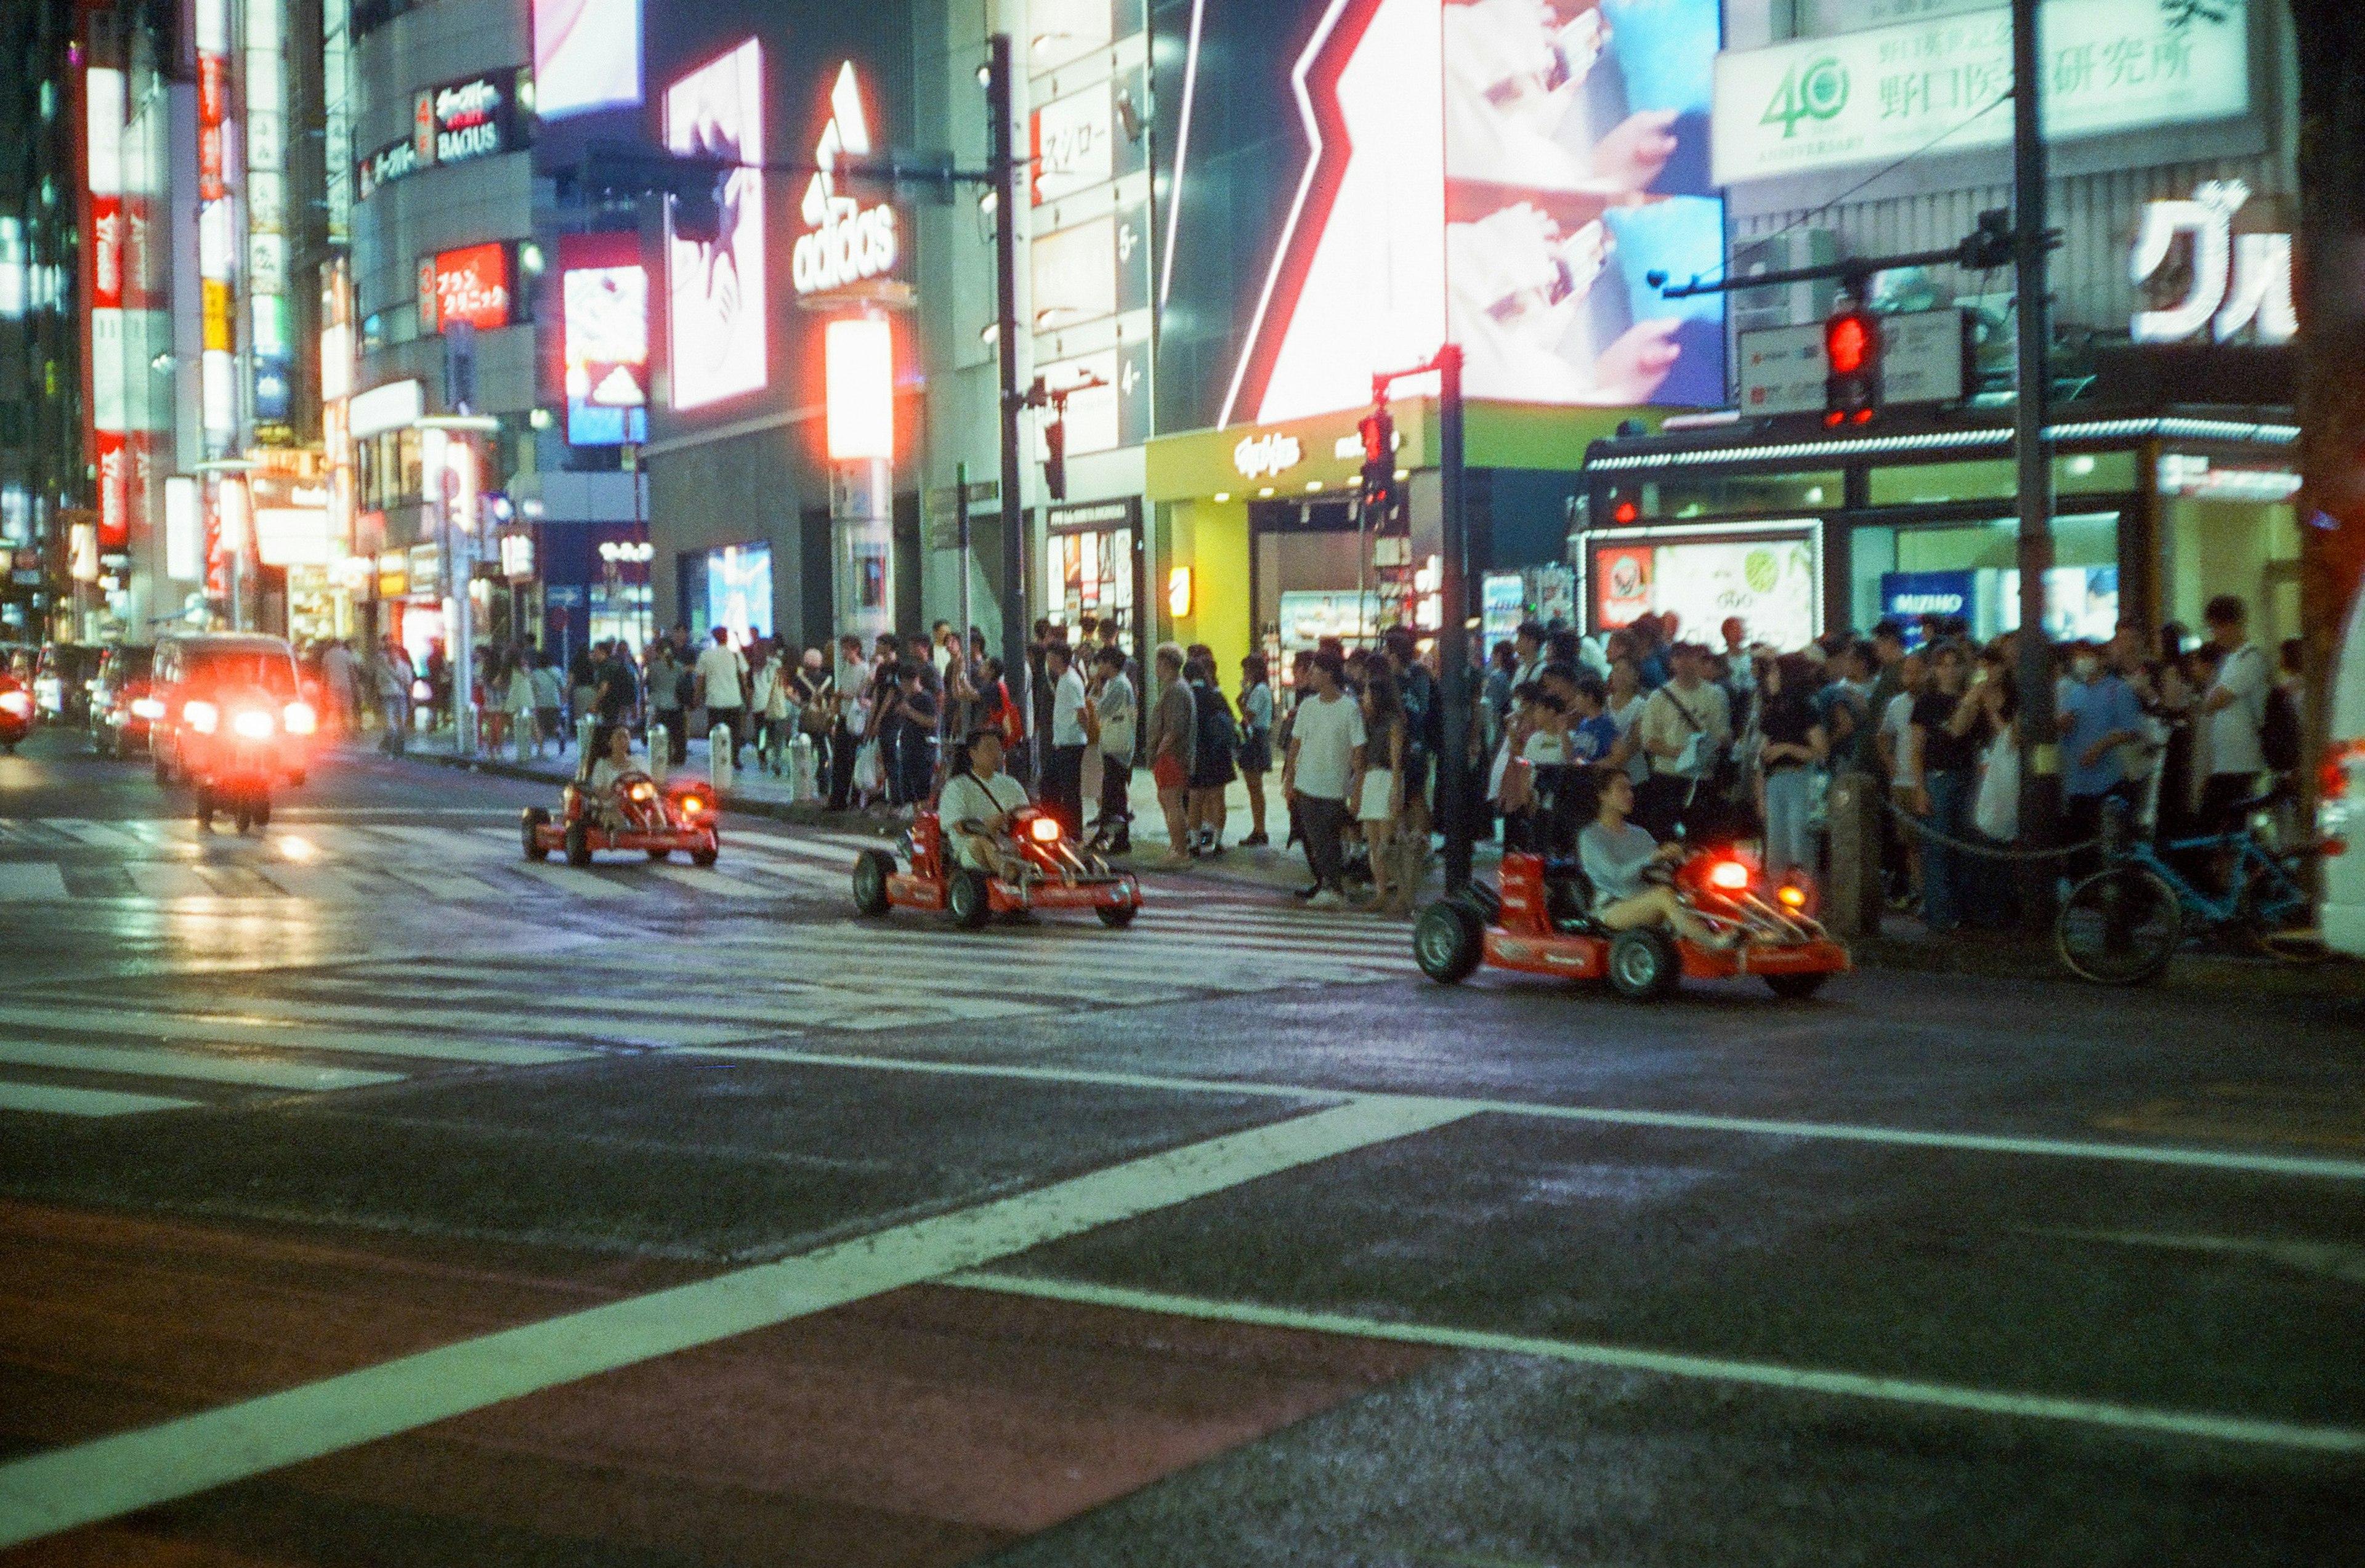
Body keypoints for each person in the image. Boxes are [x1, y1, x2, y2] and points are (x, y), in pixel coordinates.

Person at [1580, 770, 1732, 948]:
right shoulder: (1591, 837)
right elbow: (1616, 875)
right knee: (1664, 895)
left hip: (1647, 898)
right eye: (1622, 790)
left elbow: (1659, 866)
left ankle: (1742, 931)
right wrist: (1654, 857)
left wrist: (1682, 856)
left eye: (1630, 789)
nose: (1630, 795)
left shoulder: (1640, 834)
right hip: (1612, 907)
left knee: (1701, 892)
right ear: (1603, 796)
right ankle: (1713, 942)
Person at [1909, 641, 1983, 932]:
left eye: (1955, 664)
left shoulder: (1970, 698)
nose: (1949, 671)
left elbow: (1967, 733)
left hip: (1967, 775)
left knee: (1964, 846)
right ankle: (1940, 914)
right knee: (1937, 847)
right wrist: (1919, 787)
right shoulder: (1926, 702)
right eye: (1943, 665)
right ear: (1934, 670)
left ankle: (1963, 910)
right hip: (1937, 777)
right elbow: (1917, 748)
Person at [1282, 649, 1365, 909]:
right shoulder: (1308, 706)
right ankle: (1329, 885)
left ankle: (1334, 887)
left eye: (1315, 671)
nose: (1310, 675)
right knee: (1316, 838)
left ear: (1329, 675)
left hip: (1334, 784)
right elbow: (1296, 744)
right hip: (1307, 783)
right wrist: (1289, 778)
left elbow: (1358, 751)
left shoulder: (1349, 708)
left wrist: (1358, 788)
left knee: (1329, 839)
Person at [2057, 639, 2145, 873]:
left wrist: (2101, 746)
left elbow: (2131, 730)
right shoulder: (2075, 692)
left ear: (2100, 659)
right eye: (2077, 657)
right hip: (2077, 783)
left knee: (2108, 845)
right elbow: (2067, 726)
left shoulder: (2118, 690)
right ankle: (2083, 897)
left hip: (2109, 781)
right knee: (2079, 847)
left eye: (2086, 655)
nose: (2081, 662)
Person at [1632, 642, 1732, 839]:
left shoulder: (1715, 695)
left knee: (1702, 838)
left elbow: (1722, 734)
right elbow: (1649, 740)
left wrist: (1701, 750)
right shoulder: (1658, 697)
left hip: (1702, 778)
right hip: (1667, 776)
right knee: (1665, 837)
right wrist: (1681, 753)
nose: (1685, 662)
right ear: (1671, 663)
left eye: (1690, 657)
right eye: (1679, 657)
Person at [2198, 594, 2270, 832]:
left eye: (2215, 628)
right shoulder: (2230, 660)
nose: (2214, 635)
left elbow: (2215, 700)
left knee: (2222, 827)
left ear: (2230, 626)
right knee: (2225, 831)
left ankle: (2255, 868)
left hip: (2242, 763)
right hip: (2225, 763)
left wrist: (2210, 699)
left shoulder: (2250, 658)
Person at [1756, 653, 1829, 884]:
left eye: (1775, 672)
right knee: (1776, 852)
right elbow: (1761, 757)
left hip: (1800, 780)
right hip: (1774, 782)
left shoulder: (1805, 707)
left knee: (1801, 849)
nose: (1770, 678)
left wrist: (1787, 749)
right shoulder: (1771, 709)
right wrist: (1760, 795)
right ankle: (1778, 909)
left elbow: (1821, 750)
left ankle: (1805, 907)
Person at [939, 725, 1033, 877]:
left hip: (1010, 842)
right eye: (989, 748)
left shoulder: (1011, 784)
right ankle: (1014, 879)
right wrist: (988, 825)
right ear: (973, 754)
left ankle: (1071, 879)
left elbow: (1027, 814)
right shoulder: (956, 787)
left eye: (998, 748)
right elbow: (959, 827)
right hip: (970, 847)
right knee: (982, 842)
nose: (996, 753)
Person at [1358, 668, 1410, 913]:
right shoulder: (1368, 722)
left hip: (1385, 778)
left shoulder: (1393, 723)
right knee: (1374, 841)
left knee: (1386, 843)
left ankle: (1399, 891)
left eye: (1368, 693)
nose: (1364, 698)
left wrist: (1396, 791)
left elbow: (1397, 761)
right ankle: (1381, 891)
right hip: (1371, 778)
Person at [1146, 642, 1195, 867]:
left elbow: (1174, 729)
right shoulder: (1176, 687)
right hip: (1173, 755)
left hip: (1172, 756)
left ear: (1165, 663)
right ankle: (1177, 846)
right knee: (1168, 800)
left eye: (1157, 661)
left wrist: (1159, 751)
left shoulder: (1175, 690)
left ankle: (1180, 851)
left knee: (1171, 800)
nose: (1155, 666)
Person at [1186, 654, 1237, 855]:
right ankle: (1218, 842)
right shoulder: (1215, 694)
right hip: (1219, 753)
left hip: (1197, 753)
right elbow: (1230, 720)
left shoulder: (1188, 695)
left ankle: (1195, 844)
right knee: (1218, 799)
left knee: (1195, 799)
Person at [1089, 644, 1137, 852]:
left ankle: (1118, 838)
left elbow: (1101, 709)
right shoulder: (1117, 683)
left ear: (1109, 664)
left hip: (1117, 747)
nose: (1099, 667)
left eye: (1101, 663)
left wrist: (1094, 692)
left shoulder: (1118, 684)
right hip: (1114, 745)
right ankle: (1110, 835)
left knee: (1114, 795)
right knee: (1113, 795)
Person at [1040, 641, 1088, 840]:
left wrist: (1088, 735)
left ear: (1060, 658)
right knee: (1054, 785)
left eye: (1050, 657)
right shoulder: (1064, 678)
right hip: (1063, 741)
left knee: (1069, 790)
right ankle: (1061, 827)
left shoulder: (1071, 680)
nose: (1048, 661)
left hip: (1072, 742)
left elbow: (1081, 712)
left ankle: (1073, 832)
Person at [695, 627, 748, 769]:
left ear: (714, 638)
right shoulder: (736, 655)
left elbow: (700, 679)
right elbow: (744, 678)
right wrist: (747, 698)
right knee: (734, 733)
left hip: (714, 701)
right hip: (733, 700)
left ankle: (718, 758)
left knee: (716, 733)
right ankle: (735, 758)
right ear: (727, 637)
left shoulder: (706, 655)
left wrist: (696, 698)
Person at [1237, 654, 1275, 847]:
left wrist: (1243, 697)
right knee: (1254, 788)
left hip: (1256, 740)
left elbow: (1248, 716)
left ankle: (1260, 830)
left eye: (1247, 670)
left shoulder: (1259, 690)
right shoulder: (1259, 689)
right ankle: (1258, 828)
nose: (1245, 674)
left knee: (1255, 788)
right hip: (1258, 738)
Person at [645, 639, 685, 764]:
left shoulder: (654, 667)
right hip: (676, 703)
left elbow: (651, 684)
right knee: (677, 733)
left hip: (660, 704)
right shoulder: (679, 666)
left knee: (662, 733)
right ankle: (679, 757)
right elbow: (682, 683)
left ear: (658, 652)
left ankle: (664, 756)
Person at [372, 640, 411, 755]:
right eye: (390, 653)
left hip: (401, 697)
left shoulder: (404, 667)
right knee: (390, 724)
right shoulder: (383, 668)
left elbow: (408, 684)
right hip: (387, 697)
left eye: (394, 653)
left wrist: (411, 699)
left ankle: (399, 749)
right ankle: (389, 746)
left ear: (398, 654)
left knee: (401, 723)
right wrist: (376, 698)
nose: (392, 656)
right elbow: (378, 684)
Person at [321, 639, 359, 737]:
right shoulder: (346, 654)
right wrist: (355, 685)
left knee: (336, 709)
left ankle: (337, 732)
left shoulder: (327, 655)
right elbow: (352, 672)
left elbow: (324, 673)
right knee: (347, 709)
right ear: (340, 644)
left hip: (333, 685)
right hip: (346, 685)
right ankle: (349, 732)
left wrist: (323, 686)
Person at [530, 650, 565, 758]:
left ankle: (540, 752)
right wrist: (563, 700)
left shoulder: (535, 673)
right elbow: (562, 687)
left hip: (541, 704)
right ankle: (560, 734)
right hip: (555, 702)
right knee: (556, 724)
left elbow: (533, 690)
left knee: (541, 728)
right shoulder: (557, 671)